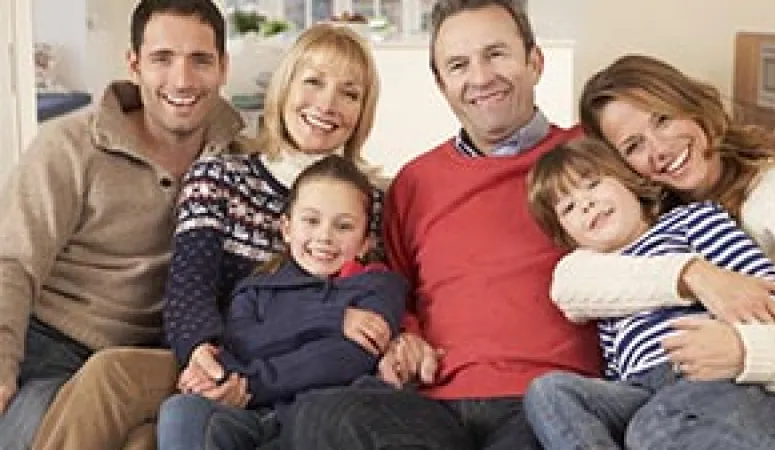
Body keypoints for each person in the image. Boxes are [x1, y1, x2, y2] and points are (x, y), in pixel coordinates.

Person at [31, 20, 386, 450]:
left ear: (363, 111)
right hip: (218, 354)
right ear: (284, 89)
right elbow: (189, 288)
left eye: (349, 93)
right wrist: (205, 358)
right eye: (313, 82)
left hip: (312, 370)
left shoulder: (375, 202)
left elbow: (381, 300)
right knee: (115, 379)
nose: (327, 104)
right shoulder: (220, 175)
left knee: (148, 437)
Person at [281, 1, 602, 449]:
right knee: (319, 415)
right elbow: (393, 289)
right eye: (459, 64)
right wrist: (404, 337)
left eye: (496, 54)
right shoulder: (415, 182)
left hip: (544, 397)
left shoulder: (589, 154)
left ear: (535, 61)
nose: (481, 77)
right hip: (434, 404)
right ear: (442, 84)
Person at [0, 0, 240, 449]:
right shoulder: (69, 147)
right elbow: (11, 261)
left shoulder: (242, 157)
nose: (183, 80)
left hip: (154, 357)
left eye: (200, 60)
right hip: (50, 347)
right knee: (24, 433)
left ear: (223, 67)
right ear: (133, 65)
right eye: (162, 59)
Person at [550, 53, 775, 448]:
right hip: (678, 400)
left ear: (694, 108)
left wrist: (748, 353)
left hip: (763, 401)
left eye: (663, 119)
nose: (660, 148)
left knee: (653, 433)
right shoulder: (650, 222)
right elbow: (570, 283)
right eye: (634, 146)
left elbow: (774, 303)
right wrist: (692, 276)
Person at [157, 154, 406, 449]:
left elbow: (344, 360)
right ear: (287, 229)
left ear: (366, 242)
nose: (324, 236)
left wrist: (251, 383)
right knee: (181, 410)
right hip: (254, 415)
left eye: (343, 226)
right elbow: (242, 343)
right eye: (311, 221)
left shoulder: (377, 287)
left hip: (325, 418)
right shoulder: (256, 289)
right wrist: (331, 319)